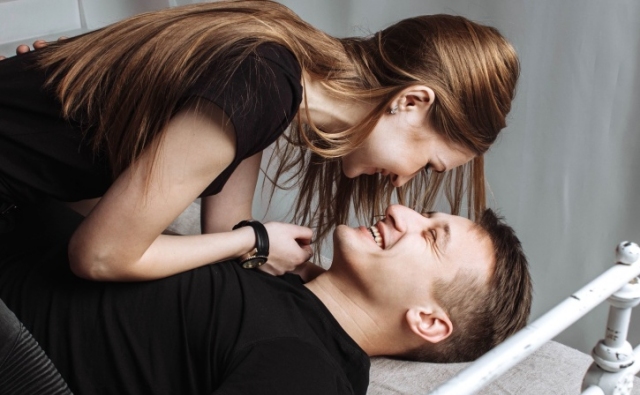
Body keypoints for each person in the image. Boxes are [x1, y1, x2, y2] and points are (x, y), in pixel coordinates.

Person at [0, 0, 520, 281]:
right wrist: (255, 242)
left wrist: (312, 271)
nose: (403, 184)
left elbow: (225, 227)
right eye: (427, 164)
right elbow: (100, 256)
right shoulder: (261, 83)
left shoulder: (278, 59)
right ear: (412, 101)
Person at [0, 200, 532, 395]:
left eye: (430, 236)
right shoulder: (276, 280)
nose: (399, 211)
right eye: (425, 213)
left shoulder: (308, 372)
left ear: (428, 322)